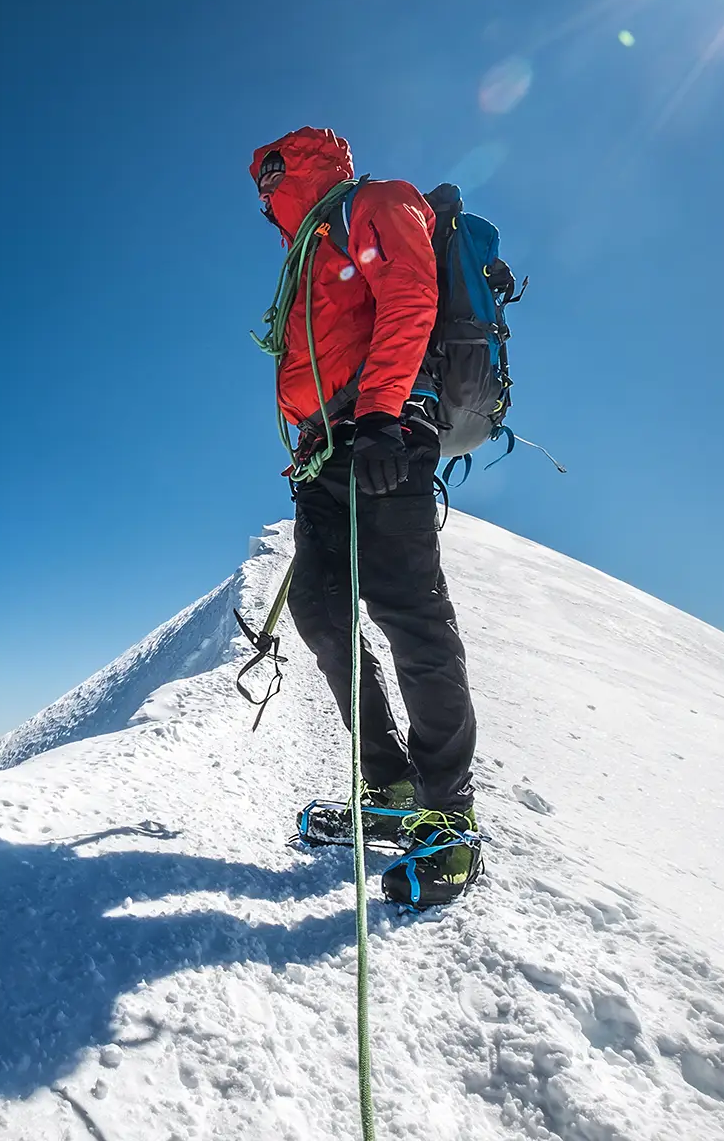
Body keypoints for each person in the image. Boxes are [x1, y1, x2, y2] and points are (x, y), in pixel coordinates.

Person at [249, 126, 482, 906]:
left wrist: (382, 416)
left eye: (271, 178)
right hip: (326, 456)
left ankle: (450, 821)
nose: (263, 195)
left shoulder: (372, 207)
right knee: (320, 611)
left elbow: (412, 296)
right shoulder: (308, 250)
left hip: (383, 440)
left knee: (409, 615)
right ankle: (392, 784)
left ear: (299, 169)